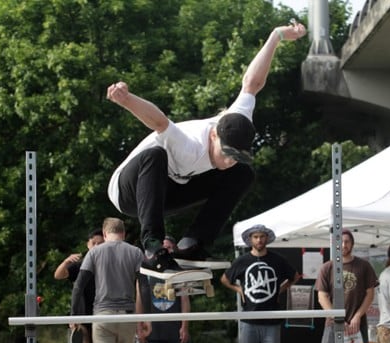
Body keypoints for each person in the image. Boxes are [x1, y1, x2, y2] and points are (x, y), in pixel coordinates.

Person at [105, 21, 307, 271]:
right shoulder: (188, 143)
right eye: (227, 154)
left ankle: (194, 244)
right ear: (213, 136)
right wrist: (126, 100)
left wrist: (276, 36)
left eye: (236, 155)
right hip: (129, 191)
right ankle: (153, 246)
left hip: (169, 190)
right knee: (155, 155)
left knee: (243, 174)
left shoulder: (238, 121)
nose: (230, 160)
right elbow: (159, 121)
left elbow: (251, 84)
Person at [221, 224, 298, 343]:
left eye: (262, 236)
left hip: (271, 320)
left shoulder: (277, 260)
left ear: (267, 239)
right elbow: (224, 279)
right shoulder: (243, 261)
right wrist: (240, 291)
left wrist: (280, 289)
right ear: (250, 240)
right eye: (255, 237)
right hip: (248, 320)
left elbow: (295, 276)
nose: (259, 240)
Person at [54, 228, 104, 343]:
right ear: (88, 245)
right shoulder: (82, 265)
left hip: (101, 318)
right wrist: (67, 261)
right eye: (94, 244)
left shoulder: (106, 265)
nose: (97, 247)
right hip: (83, 320)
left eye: (101, 244)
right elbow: (58, 275)